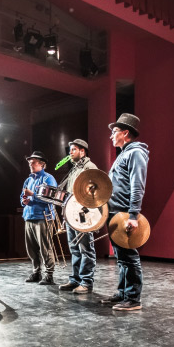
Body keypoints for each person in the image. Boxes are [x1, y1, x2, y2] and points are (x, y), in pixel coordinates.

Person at [100, 113, 149, 311]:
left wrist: (133, 215)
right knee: (121, 257)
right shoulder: (123, 154)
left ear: (125, 133)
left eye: (115, 132)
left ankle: (133, 299)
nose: (111, 136)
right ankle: (123, 293)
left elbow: (138, 186)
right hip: (115, 212)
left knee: (129, 257)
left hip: (123, 213)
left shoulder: (135, 153)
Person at [57, 138, 100, 294]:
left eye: (74, 149)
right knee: (74, 248)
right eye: (70, 149)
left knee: (86, 249)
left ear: (83, 151)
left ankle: (86, 282)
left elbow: (97, 191)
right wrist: (65, 215)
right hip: (72, 214)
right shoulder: (74, 169)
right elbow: (69, 195)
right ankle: (75, 280)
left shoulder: (89, 167)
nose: (70, 152)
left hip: (83, 215)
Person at [20, 151, 57, 285]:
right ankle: (36, 272)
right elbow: (22, 196)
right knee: (31, 248)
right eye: (30, 162)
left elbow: (51, 198)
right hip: (29, 216)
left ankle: (49, 274)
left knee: (45, 247)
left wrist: (33, 195)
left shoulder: (48, 178)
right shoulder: (28, 179)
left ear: (42, 164)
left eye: (33, 162)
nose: (30, 164)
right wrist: (23, 200)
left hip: (43, 217)